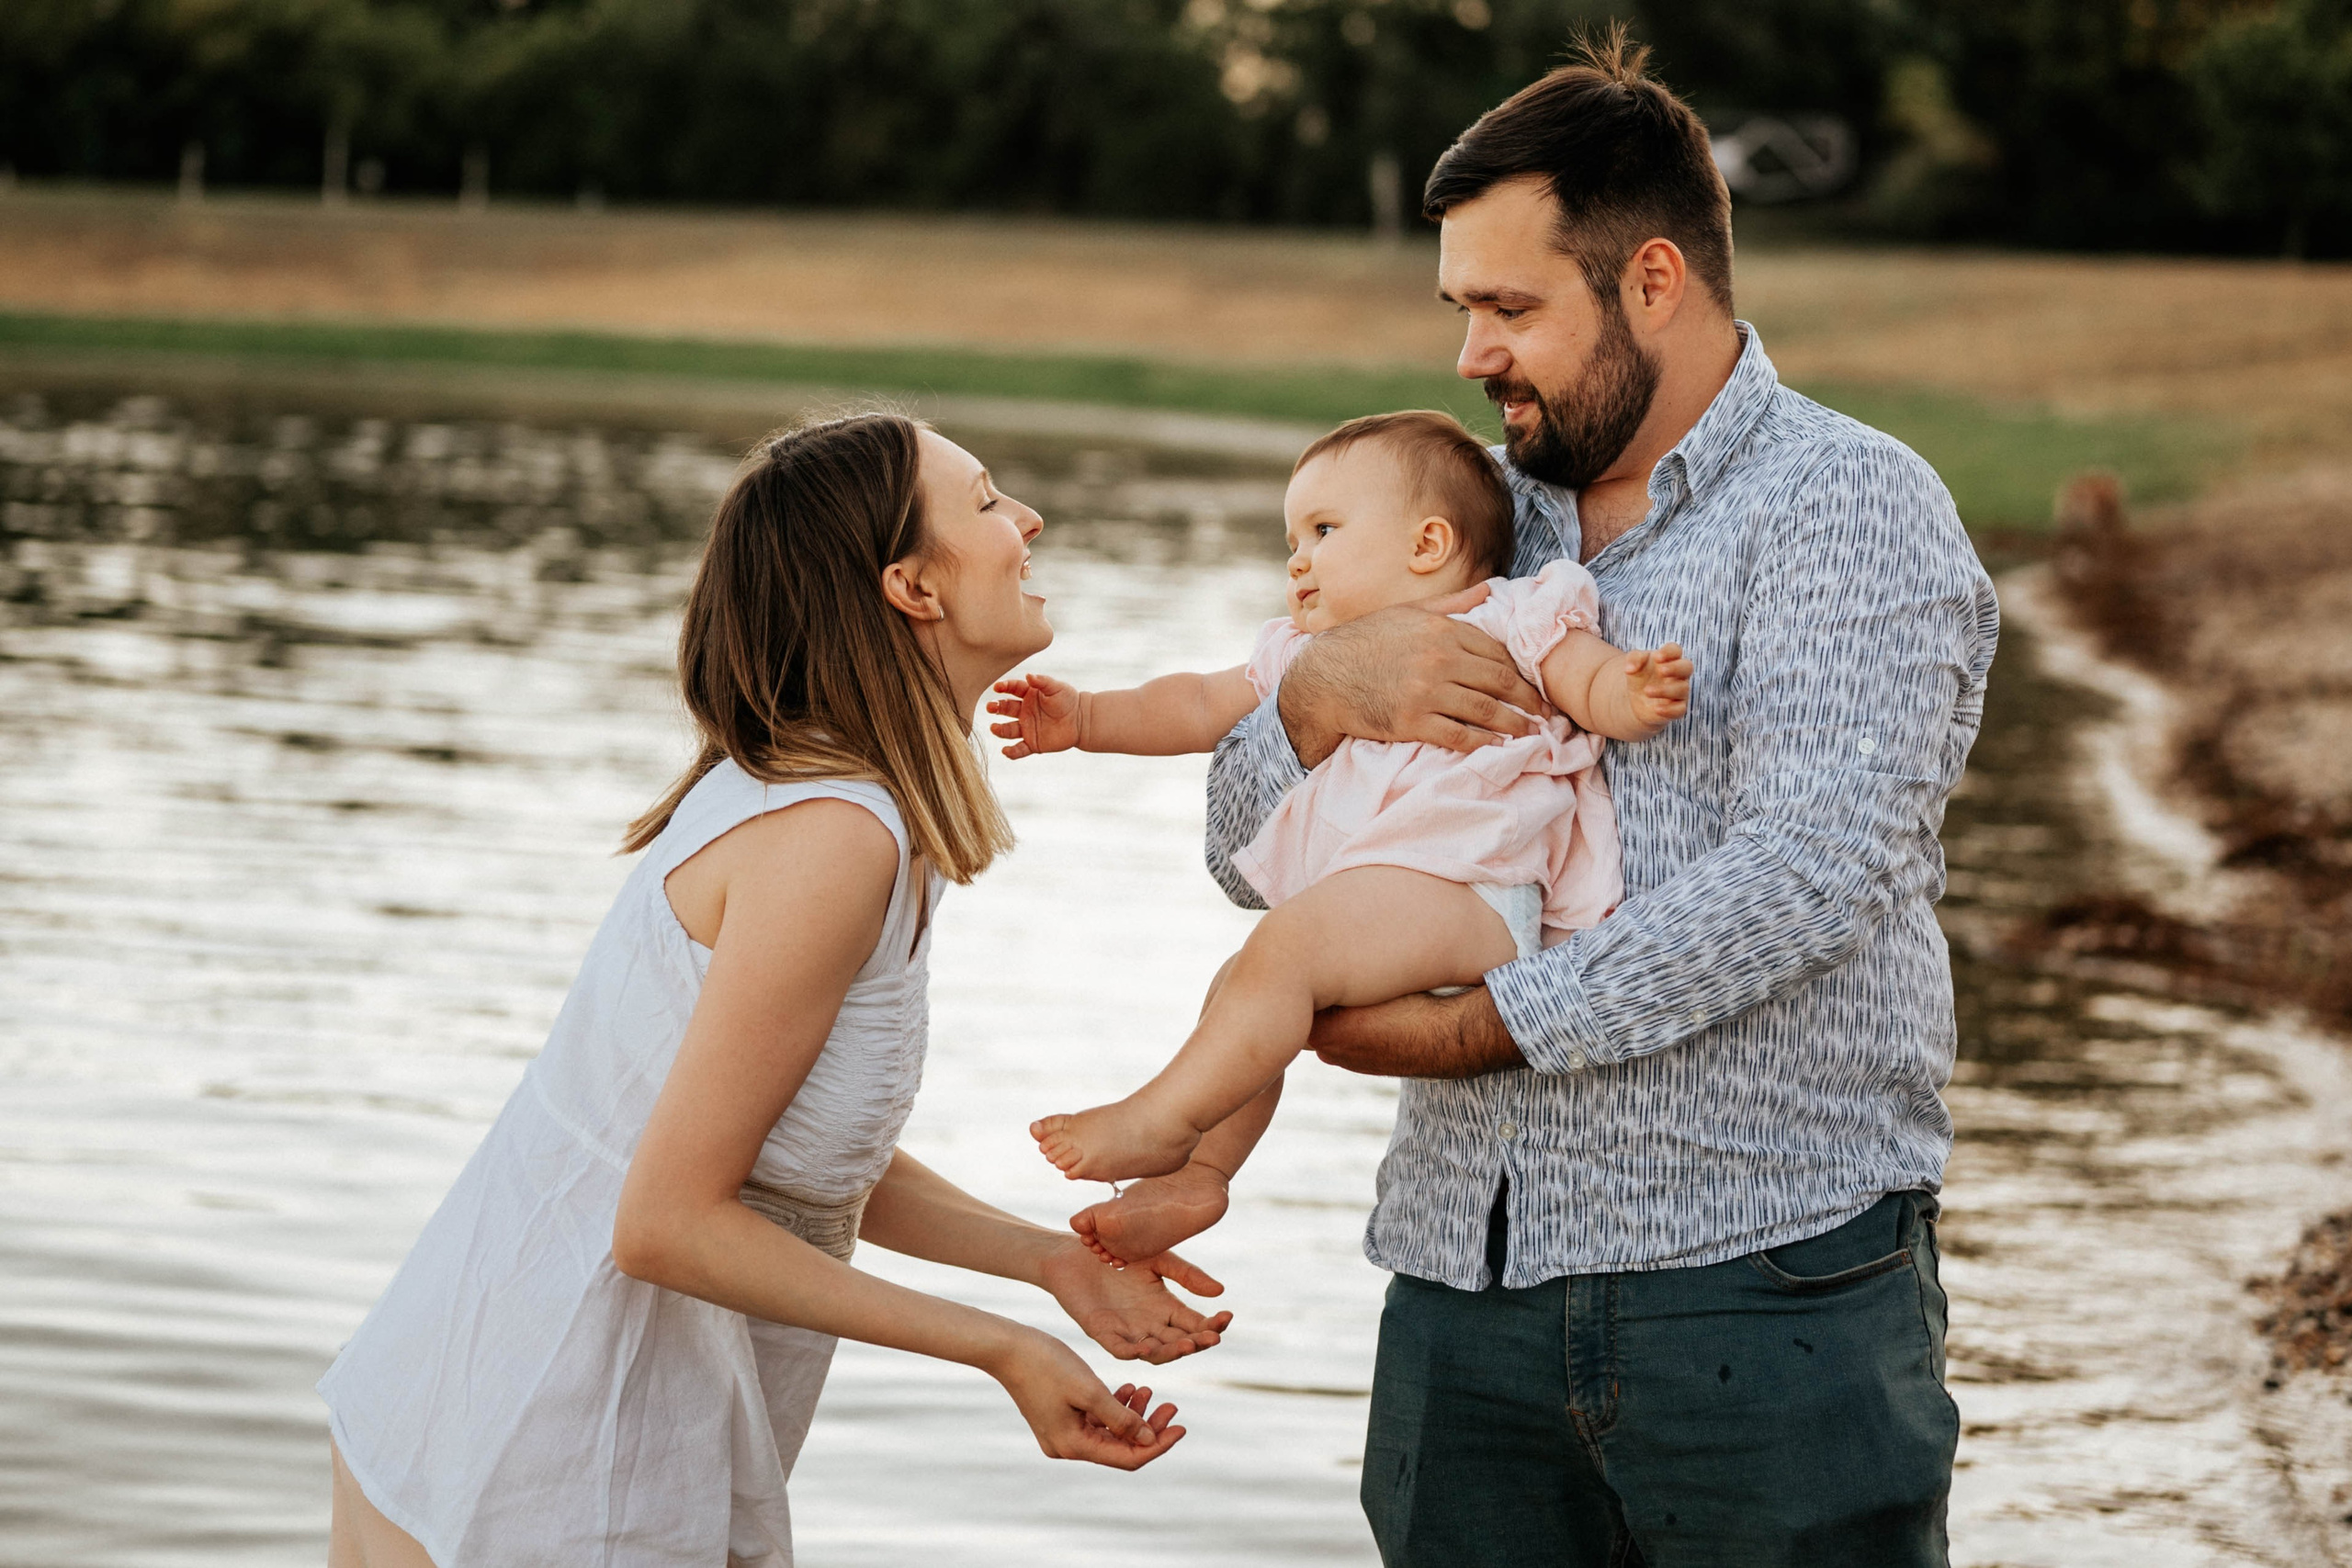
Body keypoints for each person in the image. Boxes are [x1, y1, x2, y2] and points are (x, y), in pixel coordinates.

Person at [1072, 33, 1998, 1567]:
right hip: (1461, 1287)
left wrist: (1491, 1022)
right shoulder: (1451, 516)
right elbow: (1254, 862)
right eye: (1461, 308)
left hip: (1765, 1290)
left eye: (1510, 308)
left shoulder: (1852, 504)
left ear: (1652, 281)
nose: (1470, 355)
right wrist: (1320, 692)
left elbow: (1815, 868)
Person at [316, 413, 1229, 1568]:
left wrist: (1048, 1261)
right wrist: (1002, 1347)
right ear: (911, 587)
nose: (1028, 522)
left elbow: (792, 1151)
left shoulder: (846, 804)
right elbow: (664, 1223)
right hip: (548, 1439)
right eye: (990, 502)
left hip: (501, 1395)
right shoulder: (831, 836)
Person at [988, 410, 1690, 1182]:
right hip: (1383, 896)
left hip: (1472, 890)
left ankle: (1160, 1118)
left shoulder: (1511, 613)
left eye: (1323, 530)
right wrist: (1086, 717)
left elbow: (1583, 678)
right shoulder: (1303, 654)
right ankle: (1199, 1175)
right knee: (1243, 983)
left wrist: (1631, 690)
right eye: (1293, 541)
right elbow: (1191, 704)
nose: (1298, 561)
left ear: (1427, 545)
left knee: (1282, 954)